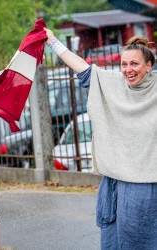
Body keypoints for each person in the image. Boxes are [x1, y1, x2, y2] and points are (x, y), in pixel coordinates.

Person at [44, 28, 157, 249]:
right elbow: (81, 67)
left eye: (134, 64)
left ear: (149, 66)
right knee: (115, 242)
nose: (128, 70)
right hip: (116, 184)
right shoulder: (112, 84)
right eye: (124, 64)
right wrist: (52, 41)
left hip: (148, 187)